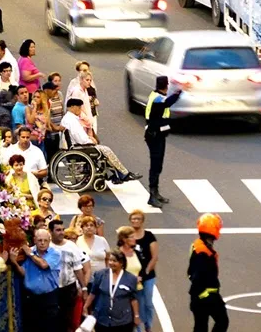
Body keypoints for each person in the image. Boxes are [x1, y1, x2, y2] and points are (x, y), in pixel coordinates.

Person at [61, 99, 141, 183]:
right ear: (73, 107)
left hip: (77, 145)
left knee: (105, 152)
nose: (80, 109)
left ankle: (120, 174)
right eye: (79, 107)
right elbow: (80, 137)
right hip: (81, 147)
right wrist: (91, 141)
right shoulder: (72, 120)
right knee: (106, 150)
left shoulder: (68, 118)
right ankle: (124, 174)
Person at [9, 229, 62, 332]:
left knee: (49, 328)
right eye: (40, 240)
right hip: (31, 298)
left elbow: (44, 265)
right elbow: (23, 272)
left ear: (49, 241)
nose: (42, 243)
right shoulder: (29, 252)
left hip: (49, 298)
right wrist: (14, 262)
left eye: (45, 240)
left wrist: (31, 255)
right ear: (35, 240)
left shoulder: (55, 253)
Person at [145, 76, 184, 208]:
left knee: (158, 165)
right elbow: (167, 103)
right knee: (155, 165)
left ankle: (156, 193)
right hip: (154, 135)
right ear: (166, 86)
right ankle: (152, 195)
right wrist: (179, 92)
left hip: (158, 135)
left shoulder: (155, 95)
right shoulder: (158, 99)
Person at [83, 248, 140, 332]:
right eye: (110, 260)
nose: (111, 263)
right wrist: (85, 306)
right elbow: (93, 293)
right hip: (102, 319)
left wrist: (136, 316)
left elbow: (133, 299)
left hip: (123, 321)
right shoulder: (100, 275)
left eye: (114, 261)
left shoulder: (131, 279)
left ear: (122, 263)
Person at [189, 214, 228, 332]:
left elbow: (191, 273)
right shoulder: (203, 253)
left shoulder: (198, 245)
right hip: (207, 296)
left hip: (198, 296)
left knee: (200, 326)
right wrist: (206, 296)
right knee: (222, 321)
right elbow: (197, 276)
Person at [49, 220, 87, 332]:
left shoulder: (71, 246)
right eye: (58, 230)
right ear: (50, 231)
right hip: (52, 288)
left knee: (67, 318)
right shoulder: (47, 246)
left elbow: (78, 269)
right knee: (53, 318)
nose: (61, 232)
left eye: (62, 229)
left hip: (68, 288)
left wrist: (83, 288)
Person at [130, 210, 158, 332]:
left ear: (142, 221)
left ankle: (148, 325)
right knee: (138, 303)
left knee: (148, 303)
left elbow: (154, 257)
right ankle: (138, 327)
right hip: (133, 276)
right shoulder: (128, 236)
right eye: (133, 219)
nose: (135, 221)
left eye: (138, 219)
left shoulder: (149, 235)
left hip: (148, 276)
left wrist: (146, 272)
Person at [76, 216, 110, 290]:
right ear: (82, 228)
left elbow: (108, 258)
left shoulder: (102, 240)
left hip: (102, 278)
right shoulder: (78, 241)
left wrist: (107, 272)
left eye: (91, 225)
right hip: (84, 280)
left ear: (95, 228)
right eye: (86, 226)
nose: (89, 227)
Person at [42, 81, 65, 160]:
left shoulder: (48, 101)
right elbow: (45, 117)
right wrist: (54, 127)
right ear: (46, 90)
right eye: (52, 90)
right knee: (49, 156)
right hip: (44, 134)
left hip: (50, 132)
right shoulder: (43, 102)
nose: (54, 92)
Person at [26, 90, 50, 155]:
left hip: (41, 140)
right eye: (34, 97)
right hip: (31, 139)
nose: (35, 99)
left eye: (38, 97)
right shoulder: (28, 108)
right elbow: (30, 121)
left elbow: (46, 124)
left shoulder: (45, 110)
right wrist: (34, 108)